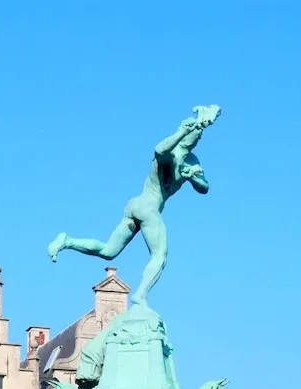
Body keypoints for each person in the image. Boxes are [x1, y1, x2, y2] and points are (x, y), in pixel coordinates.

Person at [48, 105, 221, 306]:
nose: (197, 136)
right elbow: (159, 150)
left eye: (199, 134)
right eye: (194, 132)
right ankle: (141, 295)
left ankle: (67, 241)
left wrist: (193, 178)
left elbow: (204, 187)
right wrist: (181, 133)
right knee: (159, 256)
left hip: (136, 206)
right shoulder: (170, 154)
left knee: (108, 251)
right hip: (148, 207)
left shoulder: (191, 161)